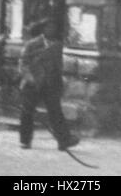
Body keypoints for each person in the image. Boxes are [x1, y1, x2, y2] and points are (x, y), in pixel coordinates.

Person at [19, 16, 80, 151]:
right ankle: (25, 140)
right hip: (33, 83)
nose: (51, 30)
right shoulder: (32, 44)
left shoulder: (57, 46)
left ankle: (64, 140)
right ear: (43, 29)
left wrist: (60, 81)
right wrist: (29, 78)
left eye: (53, 27)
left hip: (50, 83)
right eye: (48, 27)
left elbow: (58, 66)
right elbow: (23, 63)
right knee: (27, 112)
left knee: (55, 112)